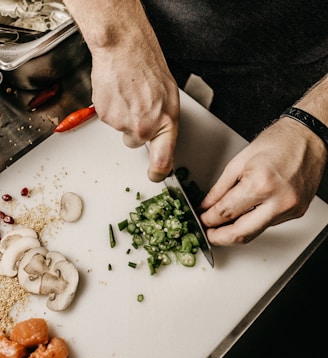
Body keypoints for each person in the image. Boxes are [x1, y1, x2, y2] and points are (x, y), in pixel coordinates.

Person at [63, 0, 328, 246]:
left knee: (255, 189)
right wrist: (115, 39)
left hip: (297, 56)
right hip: (140, 14)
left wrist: (313, 125)